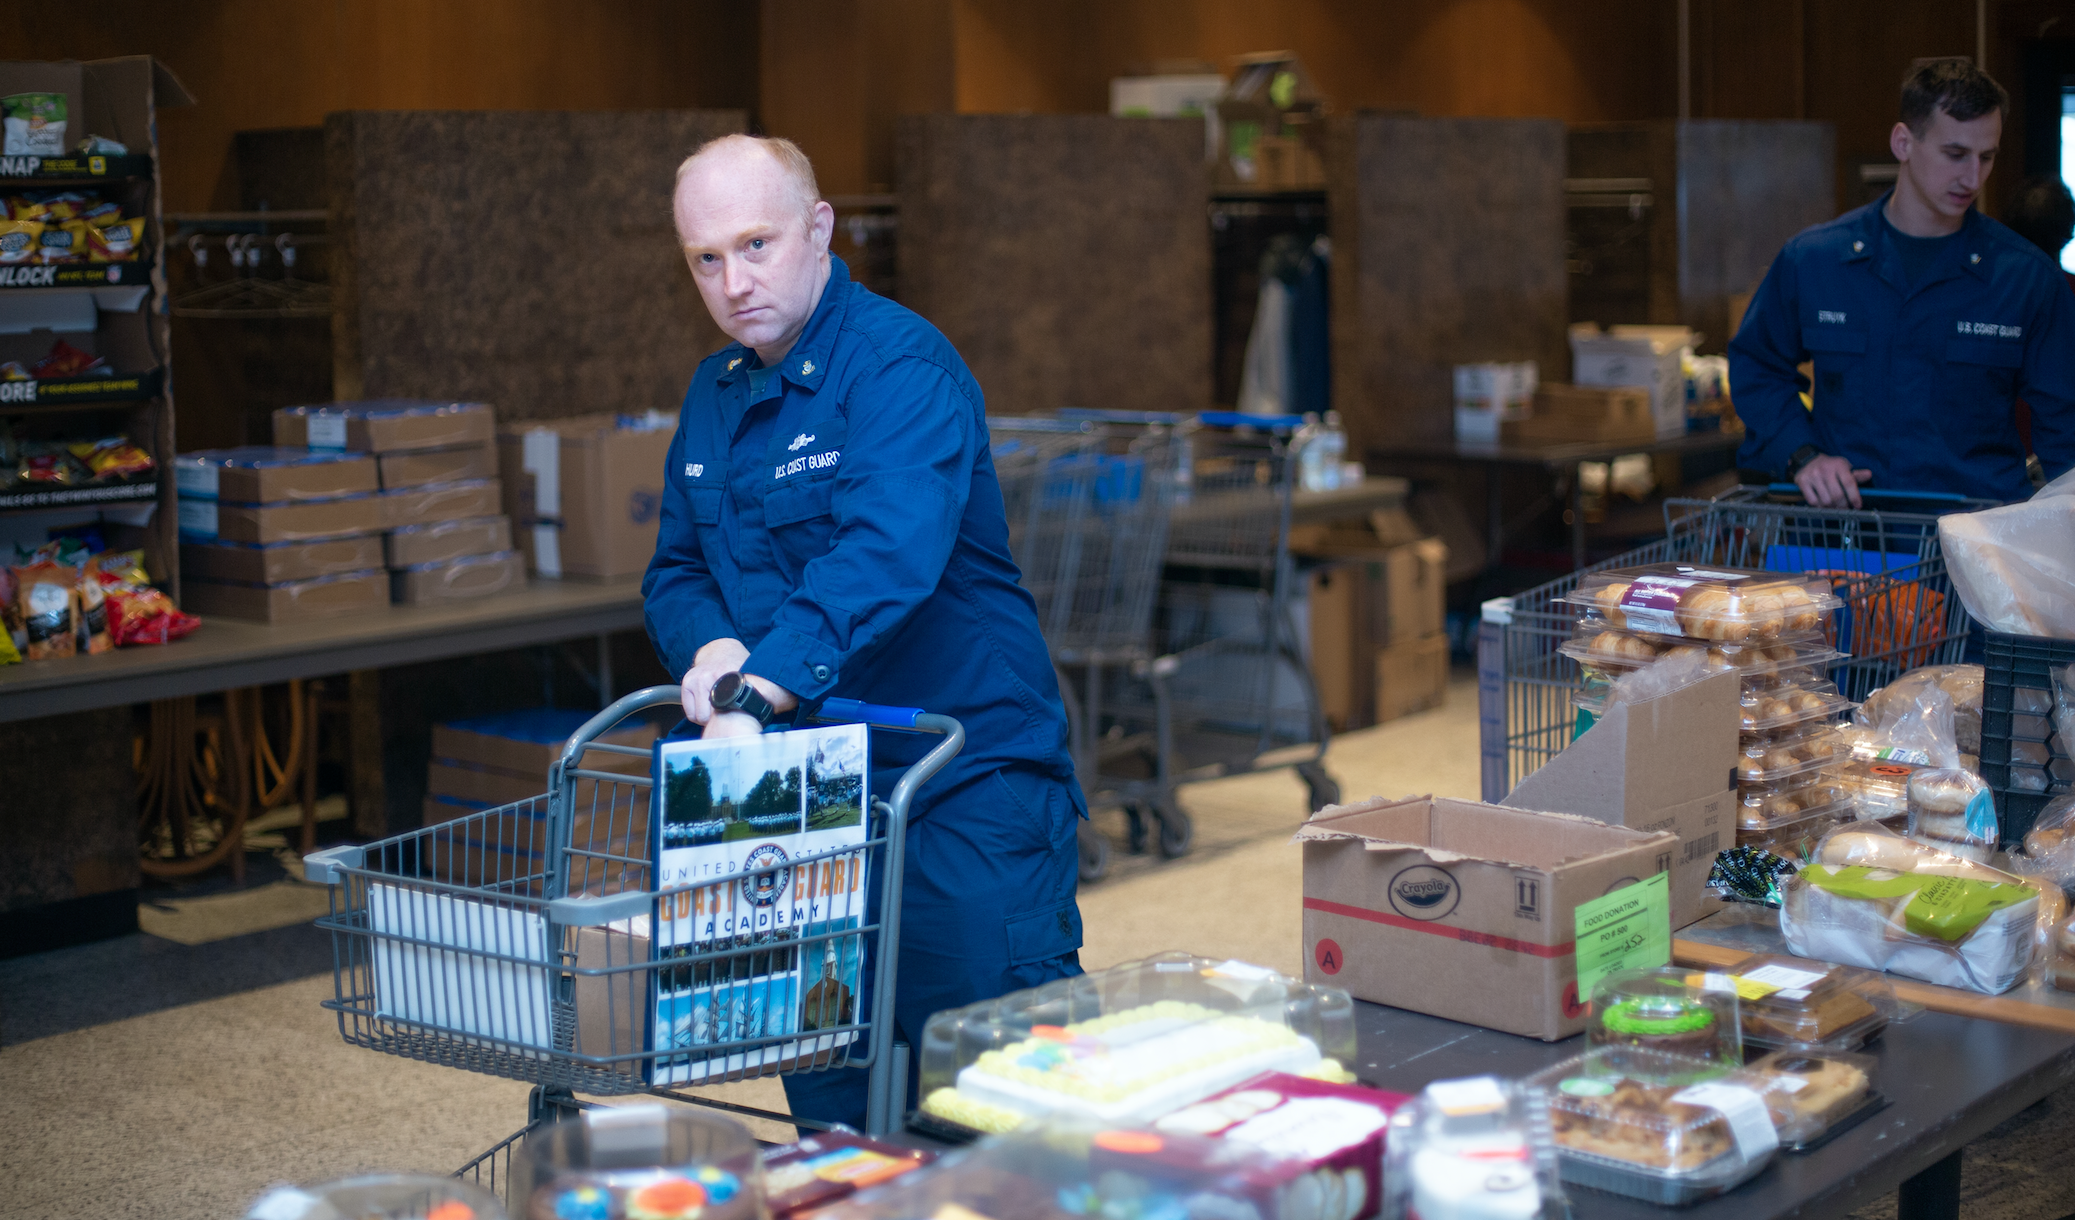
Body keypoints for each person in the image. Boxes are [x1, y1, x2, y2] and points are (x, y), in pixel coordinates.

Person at [642, 134, 1085, 1128]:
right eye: (704, 258)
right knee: (832, 1099)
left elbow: (884, 555)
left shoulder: (899, 367)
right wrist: (709, 649)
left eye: (755, 243)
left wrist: (756, 688)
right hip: (803, 794)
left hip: (959, 779)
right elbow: (676, 568)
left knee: (996, 1101)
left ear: (819, 229)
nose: (733, 280)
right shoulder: (712, 397)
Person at [1730, 58, 2075, 507]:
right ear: (1903, 142)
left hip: (1973, 553)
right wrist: (1802, 455)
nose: (1973, 177)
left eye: (1986, 157)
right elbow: (1757, 366)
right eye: (1955, 154)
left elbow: (2066, 433)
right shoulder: (1816, 260)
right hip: (1848, 544)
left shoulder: (2026, 278)